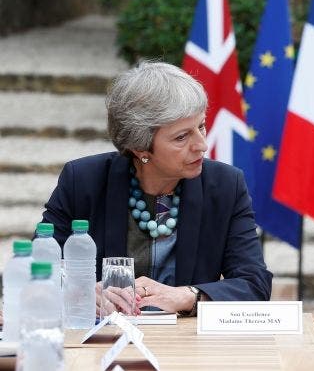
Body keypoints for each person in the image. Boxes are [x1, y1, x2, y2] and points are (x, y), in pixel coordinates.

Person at [41, 61, 272, 316]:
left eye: (201, 126)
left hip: (189, 345)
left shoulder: (226, 185)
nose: (202, 145)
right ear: (140, 148)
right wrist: (80, 292)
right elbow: (40, 270)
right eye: (182, 137)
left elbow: (254, 284)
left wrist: (188, 296)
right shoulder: (83, 181)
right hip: (103, 341)